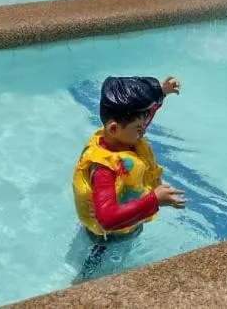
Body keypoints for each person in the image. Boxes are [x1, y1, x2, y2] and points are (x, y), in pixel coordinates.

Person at [68, 75, 187, 282]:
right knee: (91, 278)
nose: (144, 131)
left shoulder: (122, 134)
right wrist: (154, 200)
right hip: (107, 241)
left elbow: (143, 118)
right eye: (139, 129)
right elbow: (107, 219)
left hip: (124, 225)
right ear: (114, 128)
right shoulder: (104, 168)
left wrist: (161, 92)